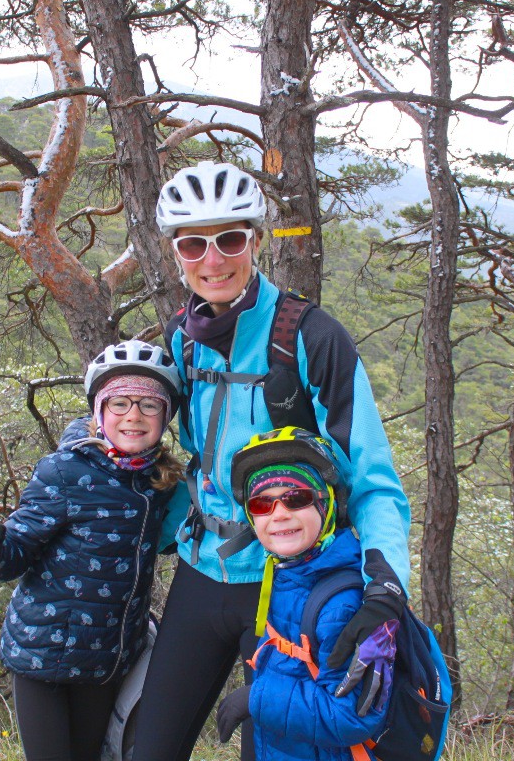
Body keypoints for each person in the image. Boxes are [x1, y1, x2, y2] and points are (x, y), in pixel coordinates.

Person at [130, 161, 412, 761]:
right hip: (203, 572)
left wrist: (385, 590)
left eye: (230, 239)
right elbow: (141, 430)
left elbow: (374, 481)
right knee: (150, 748)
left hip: (293, 583)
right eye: (193, 244)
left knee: (278, 751)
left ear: (256, 241)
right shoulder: (182, 337)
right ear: (174, 253)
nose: (213, 260)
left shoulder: (311, 337)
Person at [0, 340, 187, 761]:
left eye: (149, 406)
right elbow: (21, 541)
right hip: (42, 657)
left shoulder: (162, 482)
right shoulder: (64, 469)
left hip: (106, 660)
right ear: (99, 411)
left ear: (165, 416)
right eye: (120, 404)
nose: (134, 416)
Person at [215, 428, 394, 761]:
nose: (279, 513)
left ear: (326, 506)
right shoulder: (287, 577)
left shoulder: (345, 603)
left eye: (296, 498)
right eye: (261, 503)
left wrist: (255, 699)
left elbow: (353, 715)